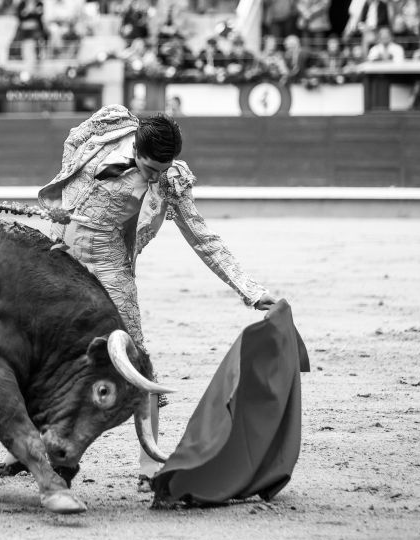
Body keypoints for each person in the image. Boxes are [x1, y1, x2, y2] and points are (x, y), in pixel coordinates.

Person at [37, 106, 276, 476]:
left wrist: (250, 290)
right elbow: (72, 142)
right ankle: (27, 450)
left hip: (108, 260)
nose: (155, 178)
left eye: (162, 171)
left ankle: (151, 465)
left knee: (134, 356)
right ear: (136, 146)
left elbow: (203, 238)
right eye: (150, 169)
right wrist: (67, 200)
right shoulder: (109, 129)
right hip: (60, 252)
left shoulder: (170, 180)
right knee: (39, 349)